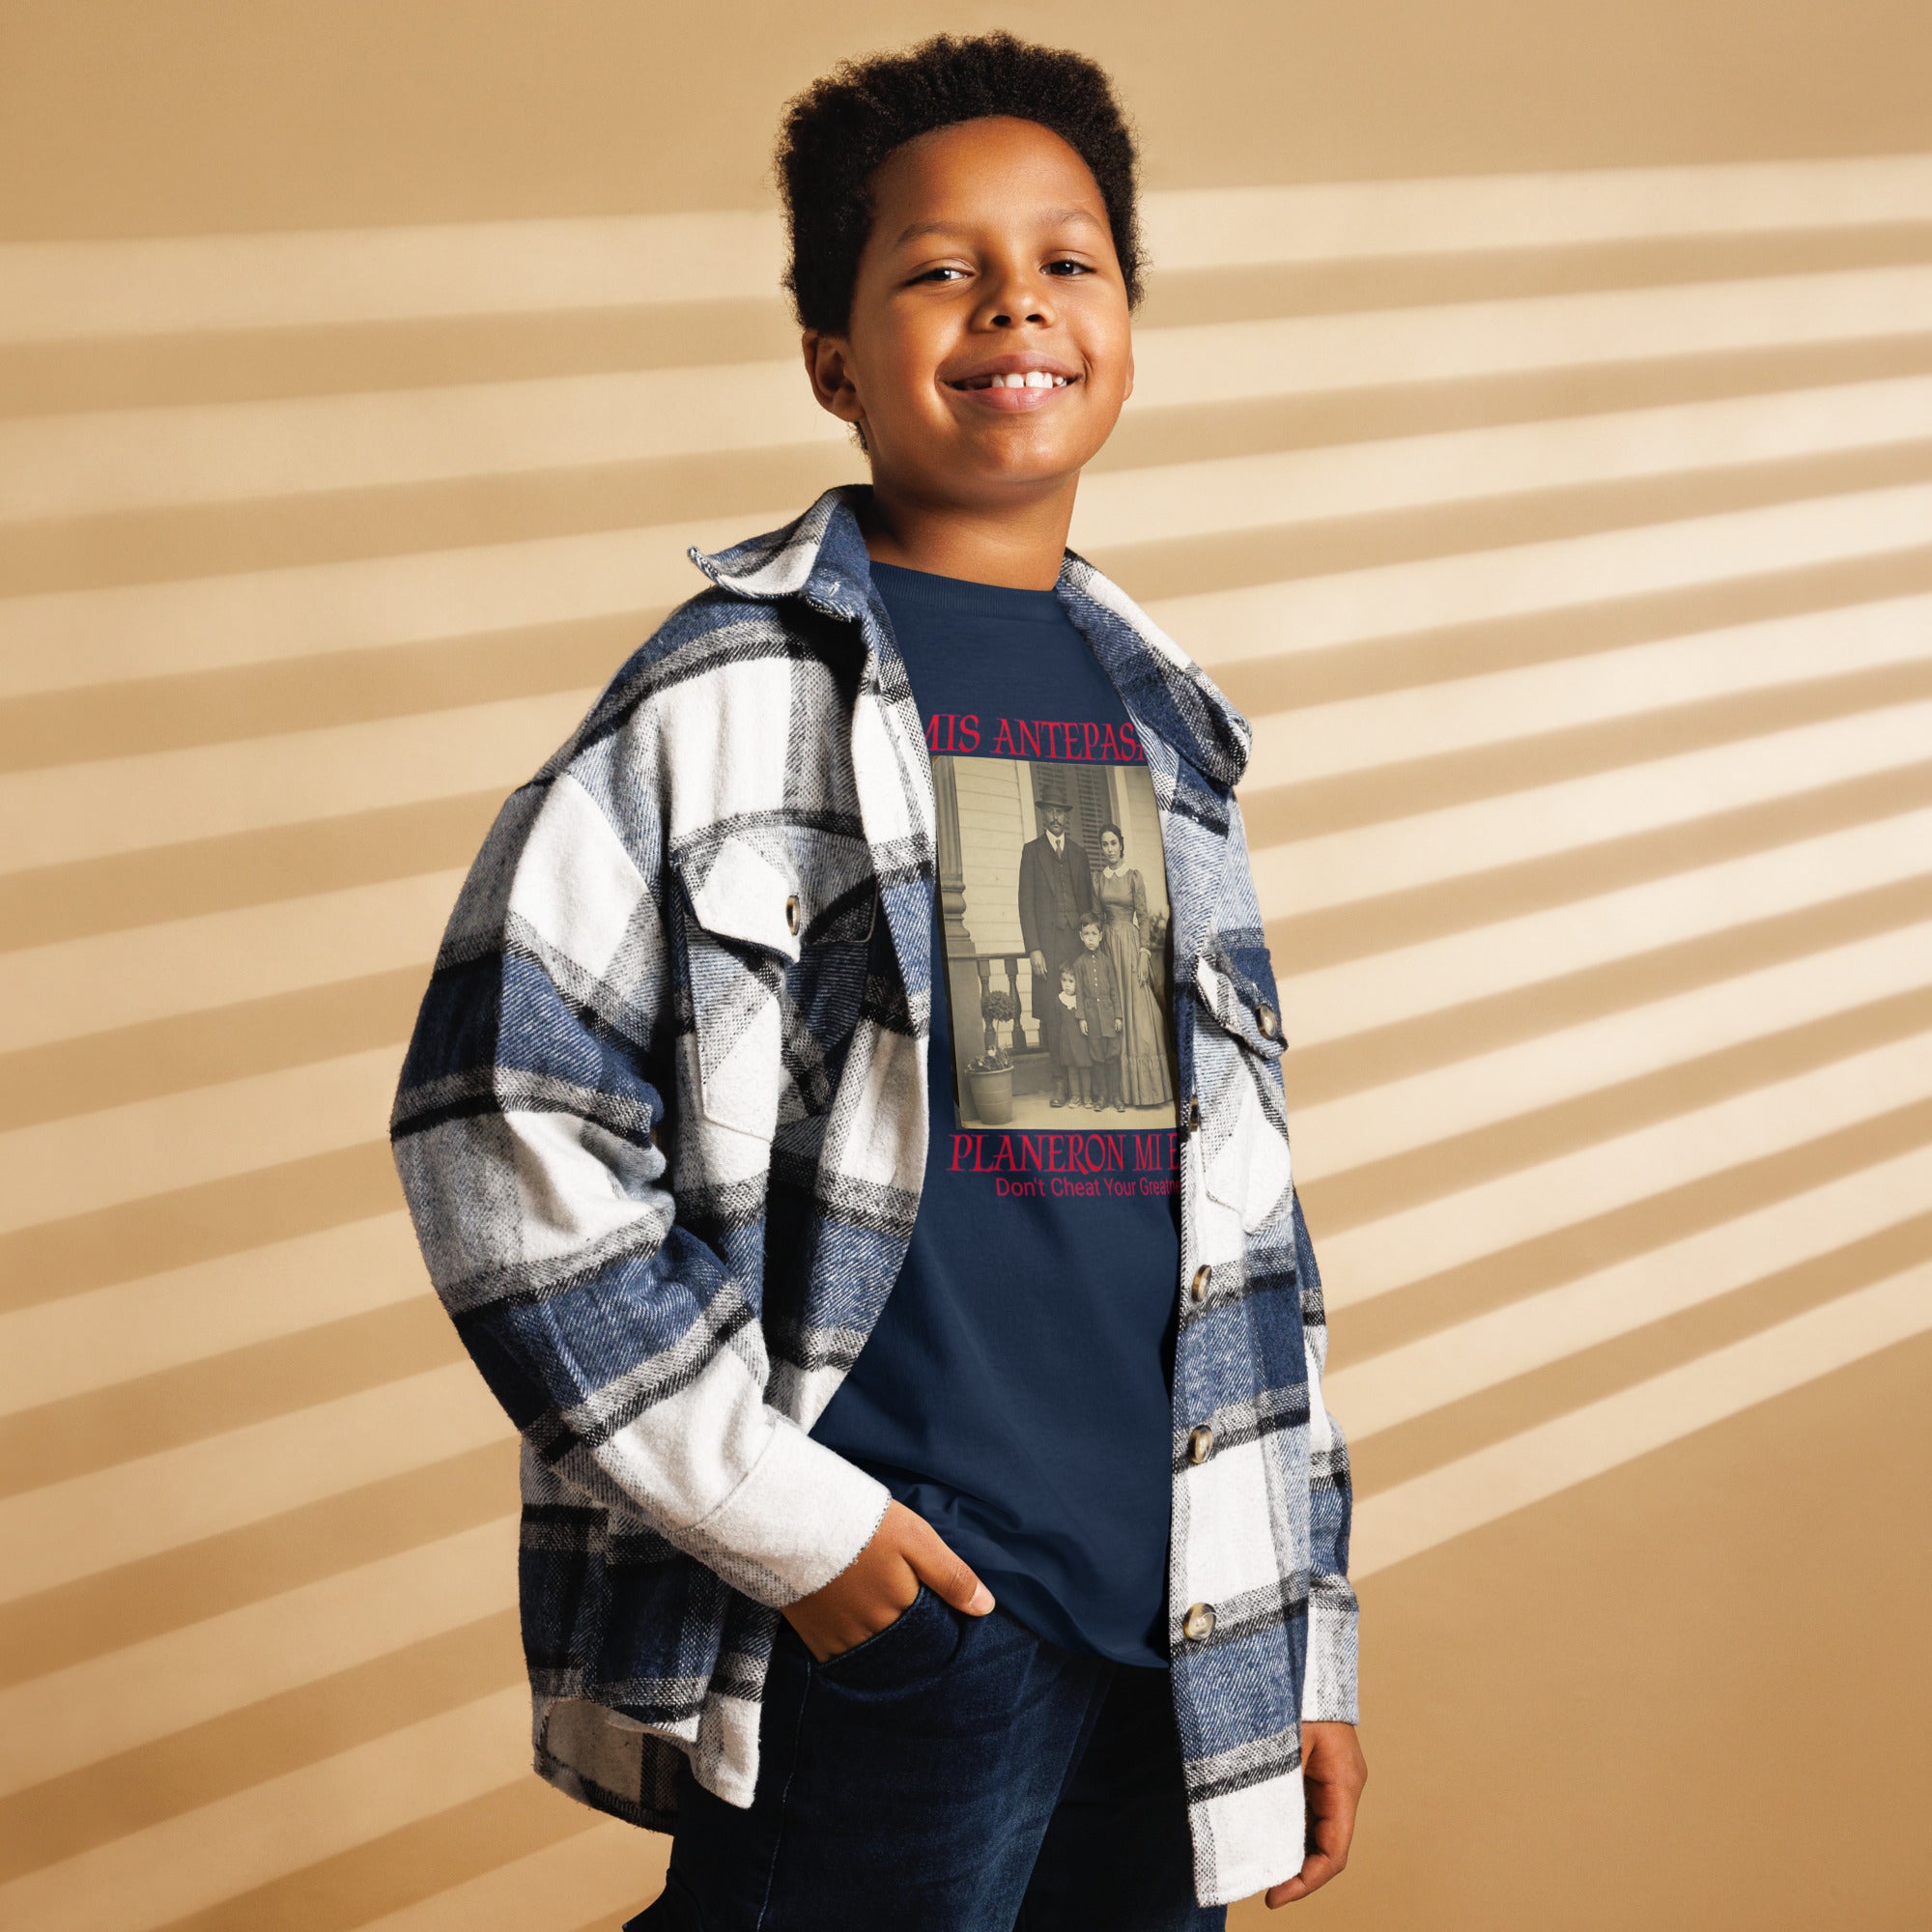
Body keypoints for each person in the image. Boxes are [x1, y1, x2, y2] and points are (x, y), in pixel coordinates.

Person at [388, 30, 1363, 1931]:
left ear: (1126, 327)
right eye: (937, 268)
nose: (1014, 302)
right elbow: (495, 1115)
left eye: (1067, 260)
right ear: (832, 358)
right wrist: (790, 1524)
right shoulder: (728, 694)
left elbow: (1246, 1222)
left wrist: (1296, 1633)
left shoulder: (1167, 730)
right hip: (913, 1600)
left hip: (1165, 1614)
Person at [1017, 788, 1097, 1104]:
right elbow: (1025, 904)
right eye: (1050, 811)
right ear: (1043, 815)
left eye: (1060, 812)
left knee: (1081, 1010)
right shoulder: (1032, 852)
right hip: (1048, 949)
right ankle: (1060, 1083)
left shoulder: (1078, 854)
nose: (1055, 817)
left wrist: (1091, 943)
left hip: (1076, 946)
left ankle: (1085, 1084)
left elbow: (1088, 903)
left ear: (1066, 817)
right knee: (1053, 1015)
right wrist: (1033, 949)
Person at [1096, 820, 1175, 1110]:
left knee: (1139, 1011)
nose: (1109, 849)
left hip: (1130, 947)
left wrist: (1143, 955)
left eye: (1113, 843)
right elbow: (1097, 917)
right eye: (1104, 844)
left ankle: (1148, 1090)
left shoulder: (1133, 877)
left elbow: (1142, 917)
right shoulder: (1098, 880)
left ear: (1121, 845)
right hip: (1108, 947)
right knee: (1115, 1009)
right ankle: (1121, 1092)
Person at [1072, 909, 1124, 1111]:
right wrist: (1081, 1018)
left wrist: (1118, 1016)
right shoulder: (1079, 964)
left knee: (1112, 1057)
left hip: (1109, 1017)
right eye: (1086, 934)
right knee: (1097, 1058)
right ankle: (1101, 1097)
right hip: (1092, 1017)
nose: (1091, 938)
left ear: (1101, 936)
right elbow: (1079, 994)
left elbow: (1114, 990)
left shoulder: (1107, 961)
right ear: (1081, 936)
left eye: (1094, 934)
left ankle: (1116, 1096)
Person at [1052, 961, 1094, 1108]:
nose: (1067, 985)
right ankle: (1075, 1096)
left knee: (1084, 1068)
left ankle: (1087, 1096)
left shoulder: (1081, 1000)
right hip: (1067, 1040)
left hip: (1081, 1040)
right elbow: (1058, 1021)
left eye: (1071, 981)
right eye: (1064, 980)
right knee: (1072, 1069)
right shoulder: (1059, 1000)